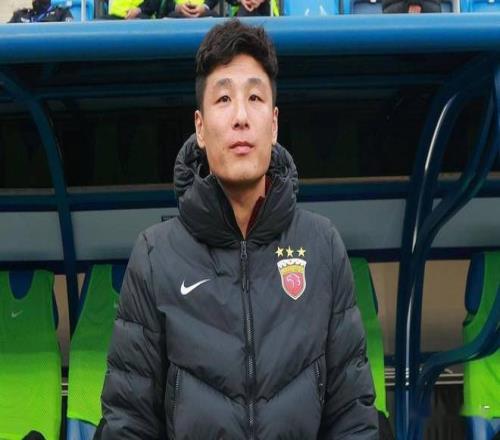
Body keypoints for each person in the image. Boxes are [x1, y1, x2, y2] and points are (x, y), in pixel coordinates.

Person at [95, 19, 378, 439]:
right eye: (224, 98)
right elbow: (128, 423)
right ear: (200, 127)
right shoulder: (157, 255)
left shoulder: (322, 246)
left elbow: (353, 418)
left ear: (274, 124)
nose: (241, 117)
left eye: (255, 97)